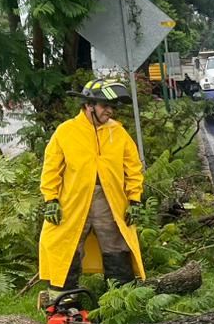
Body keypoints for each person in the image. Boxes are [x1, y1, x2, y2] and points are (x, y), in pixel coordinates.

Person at [40, 78, 145, 293]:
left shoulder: (118, 133)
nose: (110, 112)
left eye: (112, 107)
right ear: (89, 105)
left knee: (116, 243)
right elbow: (51, 168)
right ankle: (63, 300)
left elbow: (133, 169)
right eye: (105, 106)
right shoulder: (66, 132)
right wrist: (51, 199)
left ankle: (121, 297)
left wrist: (134, 200)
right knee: (66, 245)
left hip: (109, 200)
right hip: (73, 200)